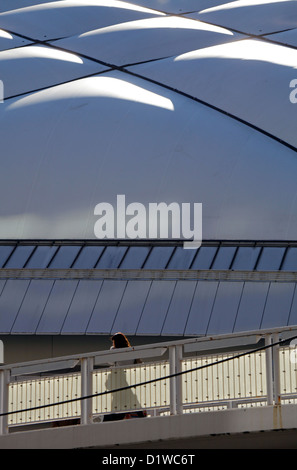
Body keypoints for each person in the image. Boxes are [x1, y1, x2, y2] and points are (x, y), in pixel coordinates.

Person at [102, 332, 147, 422]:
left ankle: (107, 421)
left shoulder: (114, 350)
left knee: (117, 401)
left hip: (118, 379)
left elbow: (109, 362)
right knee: (131, 399)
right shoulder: (132, 351)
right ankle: (142, 417)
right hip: (130, 379)